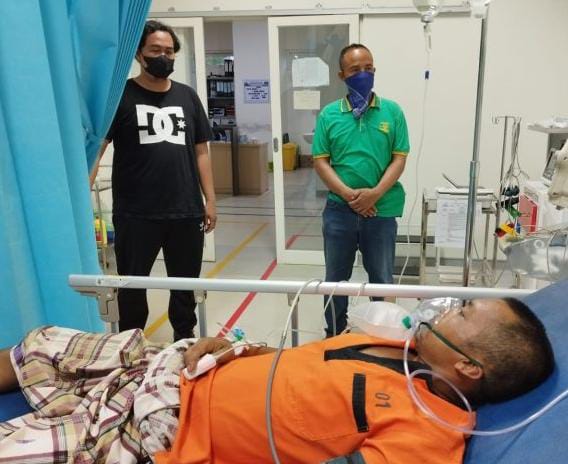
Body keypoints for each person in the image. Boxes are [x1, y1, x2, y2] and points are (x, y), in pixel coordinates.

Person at [0, 297, 554, 463]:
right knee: (45, 341)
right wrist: (235, 348)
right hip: (178, 366)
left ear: (470, 367)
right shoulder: (403, 350)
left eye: (462, 312)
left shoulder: (428, 436)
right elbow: (302, 366)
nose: (445, 308)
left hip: (164, 430)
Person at [89, 20, 216, 340]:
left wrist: (210, 200)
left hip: (185, 210)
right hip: (136, 213)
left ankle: (184, 341)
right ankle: (131, 343)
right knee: (132, 285)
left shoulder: (187, 97)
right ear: (139, 54)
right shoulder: (121, 96)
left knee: (185, 286)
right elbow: (99, 148)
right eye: (155, 50)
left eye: (169, 51)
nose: (163, 57)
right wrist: (82, 190)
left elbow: (201, 152)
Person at [312, 43, 410, 337]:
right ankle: (334, 334)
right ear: (342, 75)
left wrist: (374, 194)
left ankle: (382, 335)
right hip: (339, 211)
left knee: (381, 278)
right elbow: (320, 161)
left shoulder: (392, 112)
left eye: (368, 68)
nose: (363, 74)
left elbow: (399, 158)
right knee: (335, 280)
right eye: (355, 70)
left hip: (381, 210)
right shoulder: (329, 115)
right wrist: (348, 195)